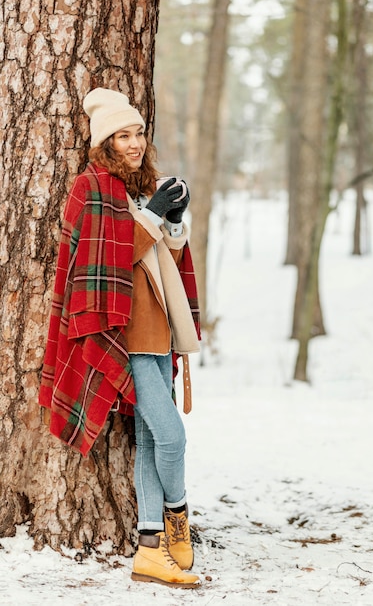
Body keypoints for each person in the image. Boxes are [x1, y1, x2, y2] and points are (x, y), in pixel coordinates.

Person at [39, 87, 201, 589]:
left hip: (157, 329)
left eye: (138, 133)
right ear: (105, 143)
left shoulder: (140, 187)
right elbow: (101, 265)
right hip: (121, 334)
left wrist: (171, 223)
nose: (134, 143)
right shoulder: (90, 187)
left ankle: (149, 548)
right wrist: (152, 215)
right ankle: (178, 517)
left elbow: (162, 264)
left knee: (154, 439)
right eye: (122, 136)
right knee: (172, 436)